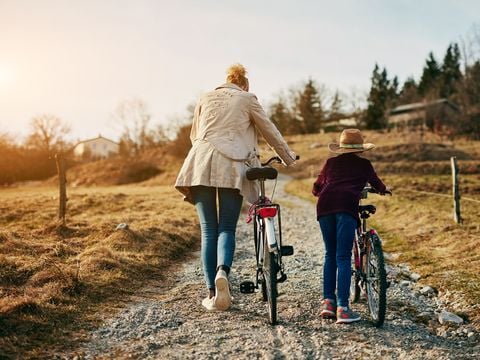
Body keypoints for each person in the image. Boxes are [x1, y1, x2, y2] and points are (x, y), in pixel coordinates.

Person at [175, 64, 296, 311]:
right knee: (226, 228)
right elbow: (269, 130)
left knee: (208, 229)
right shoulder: (247, 98)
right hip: (230, 164)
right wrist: (287, 156)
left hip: (199, 163)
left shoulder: (204, 98)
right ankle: (222, 272)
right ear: (245, 84)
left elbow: (194, 135)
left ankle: (212, 292)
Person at [312, 128, 388, 324]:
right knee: (343, 256)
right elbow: (377, 183)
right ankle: (343, 309)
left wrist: (319, 189)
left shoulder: (330, 163)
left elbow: (317, 187)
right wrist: (383, 190)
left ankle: (328, 303)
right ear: (360, 149)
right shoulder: (364, 165)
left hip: (325, 206)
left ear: (341, 148)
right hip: (346, 206)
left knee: (330, 254)